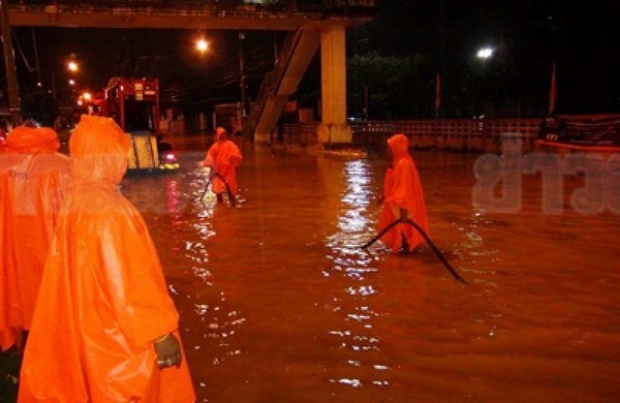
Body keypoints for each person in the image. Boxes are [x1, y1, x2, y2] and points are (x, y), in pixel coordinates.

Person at [18, 115, 196, 402]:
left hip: (91, 322)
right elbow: (126, 276)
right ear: (109, 155)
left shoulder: (76, 198)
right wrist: (160, 333)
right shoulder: (111, 209)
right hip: (116, 334)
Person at [0, 92, 70, 351]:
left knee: (20, 313)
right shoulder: (63, 168)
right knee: (47, 323)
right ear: (55, 120)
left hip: (10, 263)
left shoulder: (3, 164)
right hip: (48, 263)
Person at [376, 133, 430, 253]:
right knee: (403, 227)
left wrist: (403, 211)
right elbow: (396, 182)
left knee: (403, 226)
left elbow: (404, 188)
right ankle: (406, 249)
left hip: (405, 202)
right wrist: (384, 195)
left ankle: (407, 249)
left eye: (389, 148)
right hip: (406, 201)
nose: (387, 150)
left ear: (395, 148)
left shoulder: (403, 164)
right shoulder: (403, 161)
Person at [203, 126, 243, 203]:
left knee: (220, 187)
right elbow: (238, 156)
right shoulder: (229, 145)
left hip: (221, 170)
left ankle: (222, 205)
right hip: (224, 170)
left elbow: (209, 159)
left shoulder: (217, 146)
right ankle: (231, 204)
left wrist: (211, 168)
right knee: (228, 187)